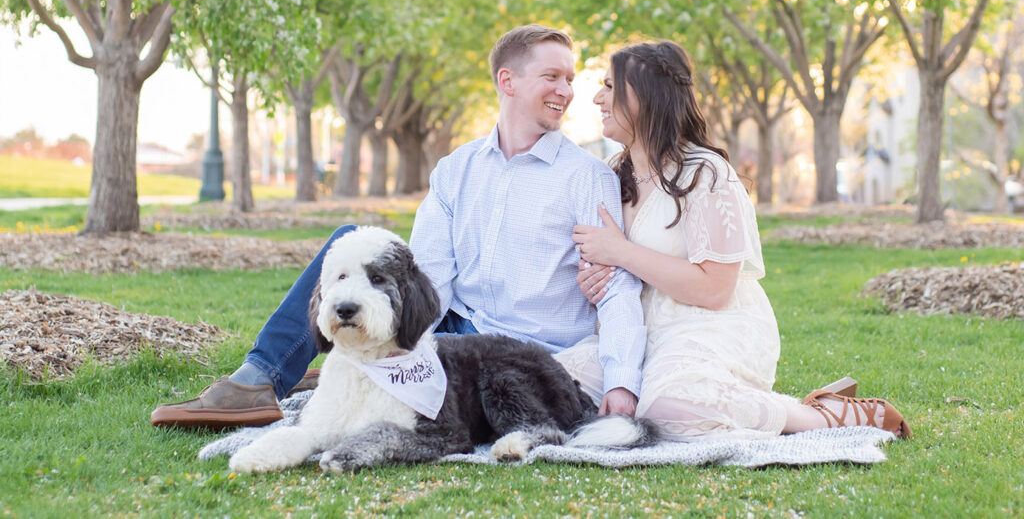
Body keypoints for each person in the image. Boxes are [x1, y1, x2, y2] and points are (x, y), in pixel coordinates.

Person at [151, 25, 646, 429]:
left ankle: (336, 370)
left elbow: (617, 289)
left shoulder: (587, 178)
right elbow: (428, 274)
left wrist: (622, 384)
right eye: (552, 77)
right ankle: (259, 377)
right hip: (454, 330)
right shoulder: (457, 169)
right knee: (350, 244)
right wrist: (395, 344)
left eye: (570, 79)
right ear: (507, 81)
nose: (566, 91)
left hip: (521, 353)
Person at [555, 40, 911, 440]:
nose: (598, 97)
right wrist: (595, 283)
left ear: (647, 97)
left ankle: (821, 415)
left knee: (671, 410)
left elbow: (715, 289)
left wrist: (621, 252)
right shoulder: (608, 178)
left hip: (708, 327)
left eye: (610, 86)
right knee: (551, 382)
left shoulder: (705, 175)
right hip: (635, 333)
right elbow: (607, 270)